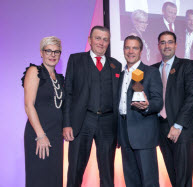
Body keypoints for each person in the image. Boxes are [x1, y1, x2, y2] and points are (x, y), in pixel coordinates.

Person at [63, 26, 122, 187]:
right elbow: (68, 93)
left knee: (107, 172)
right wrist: (67, 123)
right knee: (75, 168)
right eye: (97, 38)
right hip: (82, 121)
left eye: (105, 39)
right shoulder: (75, 60)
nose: (101, 43)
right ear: (89, 40)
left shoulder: (116, 65)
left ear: (109, 42)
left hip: (108, 123)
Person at [153, 31, 193, 187]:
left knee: (183, 179)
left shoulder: (186, 65)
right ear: (158, 46)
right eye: (163, 42)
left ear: (176, 45)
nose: (167, 46)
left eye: (170, 42)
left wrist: (178, 125)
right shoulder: (152, 69)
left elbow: (192, 97)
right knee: (173, 176)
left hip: (181, 129)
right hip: (161, 128)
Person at [118, 35, 163, 187]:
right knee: (131, 181)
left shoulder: (150, 72)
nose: (130, 51)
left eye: (135, 48)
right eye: (127, 47)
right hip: (124, 134)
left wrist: (147, 106)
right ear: (123, 49)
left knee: (148, 181)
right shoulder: (120, 74)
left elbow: (158, 102)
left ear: (141, 51)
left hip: (143, 135)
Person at [22, 36, 64, 187]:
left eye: (56, 52)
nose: (53, 55)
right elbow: (28, 105)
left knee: (54, 179)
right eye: (48, 51)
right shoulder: (35, 71)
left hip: (56, 136)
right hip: (39, 135)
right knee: (39, 179)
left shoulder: (60, 78)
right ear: (41, 53)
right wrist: (40, 135)